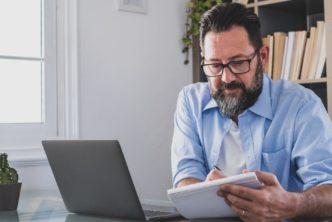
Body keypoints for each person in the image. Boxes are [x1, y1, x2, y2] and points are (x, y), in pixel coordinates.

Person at [171, 2, 332, 221]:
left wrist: (291, 204)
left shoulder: (302, 106)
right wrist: (204, 192)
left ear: (263, 57)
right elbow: (186, 175)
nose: (227, 79)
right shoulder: (190, 102)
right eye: (215, 65)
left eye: (238, 63)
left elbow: (328, 190)